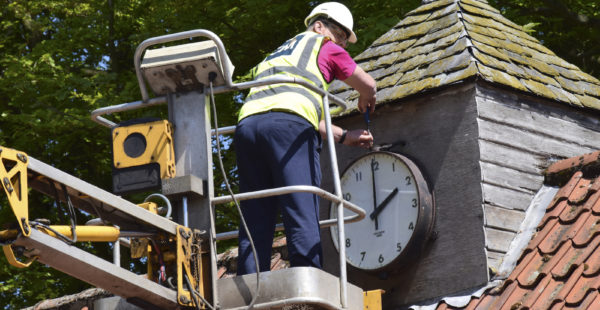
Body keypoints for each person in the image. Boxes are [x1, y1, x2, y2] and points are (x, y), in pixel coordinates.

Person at [234, 2, 377, 275]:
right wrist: (365, 98)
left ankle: (251, 284)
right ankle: (308, 286)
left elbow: (295, 110)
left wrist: (345, 136)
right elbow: (368, 85)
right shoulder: (322, 45)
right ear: (319, 25)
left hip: (248, 128)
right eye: (340, 35)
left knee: (255, 215)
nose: (342, 45)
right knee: (301, 207)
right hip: (288, 129)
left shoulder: (276, 55)